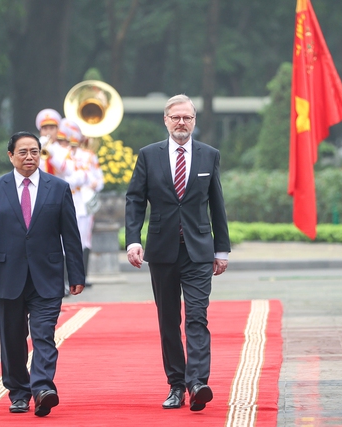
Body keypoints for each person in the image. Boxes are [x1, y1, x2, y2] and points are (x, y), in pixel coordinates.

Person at [125, 94, 230, 411]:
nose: (182, 123)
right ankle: (176, 385)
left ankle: (198, 382)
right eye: (176, 118)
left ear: (194, 120)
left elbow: (217, 204)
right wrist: (133, 239)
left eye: (187, 117)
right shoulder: (149, 156)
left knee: (197, 318)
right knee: (168, 320)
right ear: (166, 121)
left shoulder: (208, 155)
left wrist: (221, 249)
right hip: (161, 250)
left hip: (198, 250)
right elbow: (134, 200)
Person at [0, 131, 85, 417]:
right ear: (10, 156)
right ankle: (19, 392)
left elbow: (70, 235)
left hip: (47, 275)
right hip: (7, 275)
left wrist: (76, 274)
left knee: (44, 334)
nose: (29, 157)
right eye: (23, 152)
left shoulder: (58, 188)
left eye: (34, 151)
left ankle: (43, 388)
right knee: (12, 338)